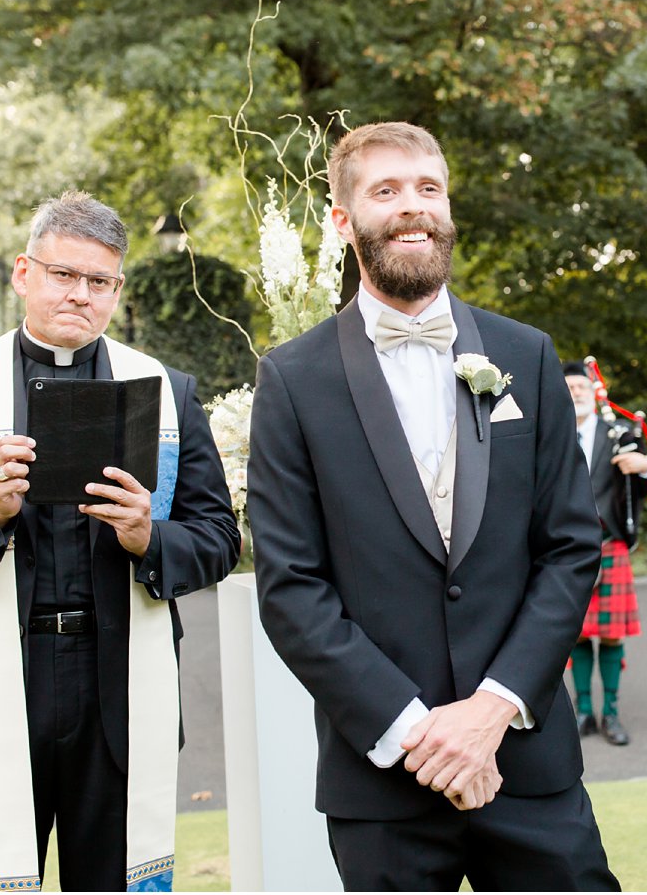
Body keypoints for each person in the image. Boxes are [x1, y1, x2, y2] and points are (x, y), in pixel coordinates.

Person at [247, 122, 619, 891]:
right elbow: (292, 589)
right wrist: (422, 735)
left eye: (428, 188)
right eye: (385, 191)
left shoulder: (526, 356)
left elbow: (570, 548)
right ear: (343, 221)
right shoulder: (292, 379)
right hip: (384, 779)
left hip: (526, 761)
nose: (413, 207)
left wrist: (489, 713)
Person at [0, 191, 241, 892]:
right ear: (23, 273)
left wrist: (147, 538)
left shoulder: (166, 391)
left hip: (120, 687)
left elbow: (218, 538)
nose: (79, 295)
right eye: (62, 274)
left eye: (98, 281)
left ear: (116, 290)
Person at [563, 361, 647, 746]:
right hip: (565, 547)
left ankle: (611, 713)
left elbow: (645, 481)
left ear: (593, 389)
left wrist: (645, 465)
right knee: (577, 634)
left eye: (581, 386)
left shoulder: (618, 432)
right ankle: (584, 712)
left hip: (608, 541)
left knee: (612, 635)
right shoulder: (553, 431)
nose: (576, 392)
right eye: (568, 387)